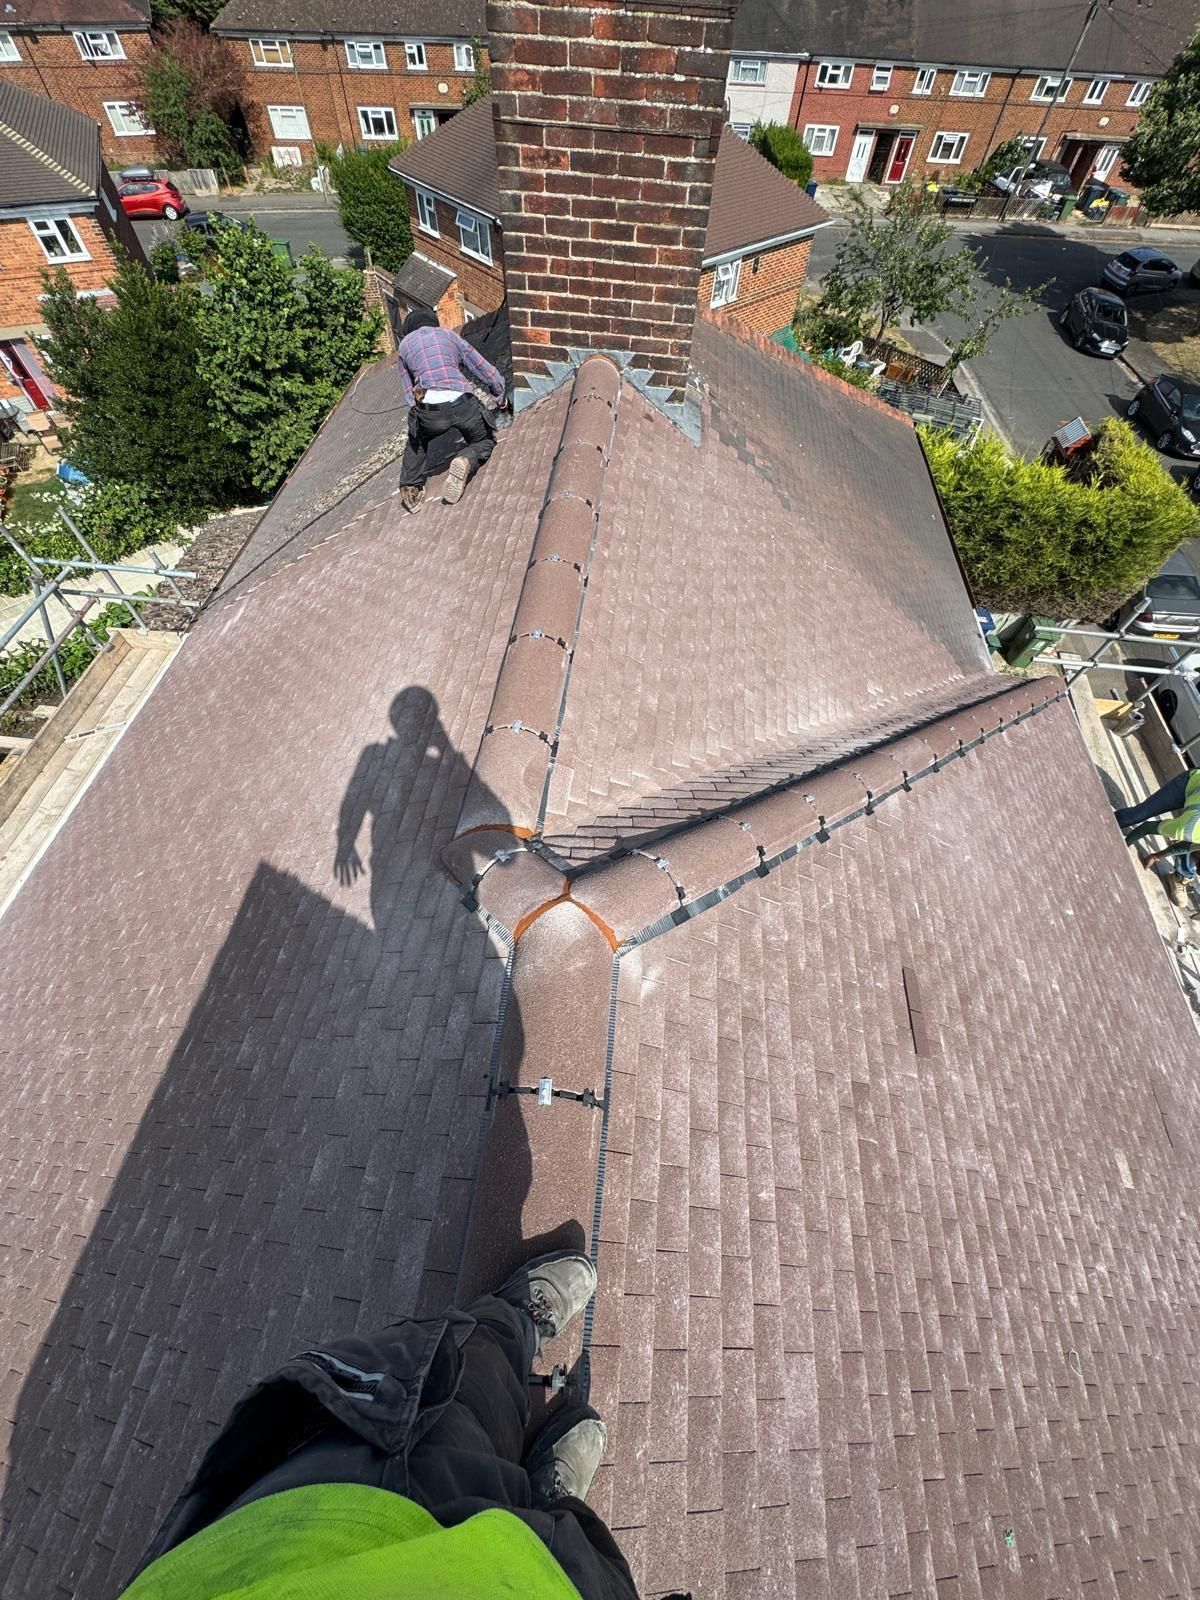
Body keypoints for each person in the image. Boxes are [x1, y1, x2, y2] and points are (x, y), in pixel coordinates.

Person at [120, 1251, 640, 1600]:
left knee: (462, 1391)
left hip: (331, 1540)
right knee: (568, 1535)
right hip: (558, 1585)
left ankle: (512, 1327)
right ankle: (549, 1503)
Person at [395, 308, 507, 514]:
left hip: (431, 412)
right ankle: (465, 458)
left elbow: (410, 396)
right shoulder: (449, 336)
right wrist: (501, 399)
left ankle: (410, 489)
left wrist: (420, 415)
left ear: (409, 330)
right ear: (434, 323)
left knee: (416, 438)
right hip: (462, 403)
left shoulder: (404, 347)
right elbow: (483, 369)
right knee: (484, 440)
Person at [1115, 769, 1200, 893]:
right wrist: (1122, 846)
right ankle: (1099, 820)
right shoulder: (1187, 830)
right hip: (1192, 782)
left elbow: (1185, 847)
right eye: (1197, 863)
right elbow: (1147, 827)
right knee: (1136, 816)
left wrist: (1156, 856)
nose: (1194, 864)